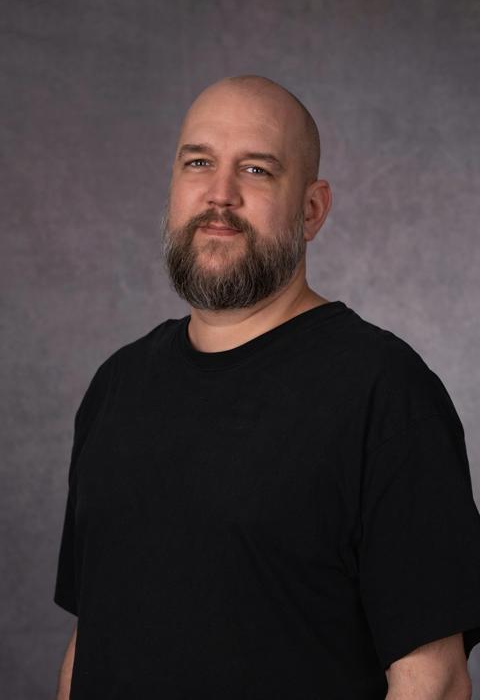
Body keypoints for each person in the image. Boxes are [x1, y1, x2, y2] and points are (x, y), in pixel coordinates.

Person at [54, 74, 480, 700]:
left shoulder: (385, 392)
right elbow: (92, 637)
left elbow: (435, 684)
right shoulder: (118, 384)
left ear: (312, 210)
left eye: (256, 170)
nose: (219, 194)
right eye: (198, 163)